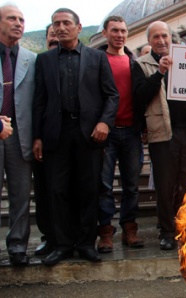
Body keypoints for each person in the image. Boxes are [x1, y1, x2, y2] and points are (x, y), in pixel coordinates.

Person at [33, 8, 119, 266]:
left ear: (79, 27)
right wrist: (37, 136)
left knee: (88, 189)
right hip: (56, 135)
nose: (61, 27)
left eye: (66, 23)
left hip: (89, 134)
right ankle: (62, 245)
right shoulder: (44, 60)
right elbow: (39, 102)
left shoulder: (97, 57)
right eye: (56, 24)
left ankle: (85, 243)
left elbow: (112, 95)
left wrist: (105, 122)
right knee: (57, 191)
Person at [132, 21, 186, 250]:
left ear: (171, 37)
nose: (161, 40)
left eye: (164, 35)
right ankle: (166, 231)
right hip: (163, 133)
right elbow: (139, 96)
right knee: (165, 186)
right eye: (155, 37)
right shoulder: (141, 65)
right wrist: (160, 72)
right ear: (150, 41)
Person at [96, 15, 145, 254]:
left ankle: (129, 228)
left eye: (123, 30)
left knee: (132, 185)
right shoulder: (96, 60)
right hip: (105, 132)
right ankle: (105, 231)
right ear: (105, 33)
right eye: (114, 30)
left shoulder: (135, 62)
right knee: (103, 185)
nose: (119, 35)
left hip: (132, 132)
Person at [0, 4, 35, 266]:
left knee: (21, 194)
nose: (18, 23)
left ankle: (18, 246)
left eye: (22, 19)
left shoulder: (31, 59)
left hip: (20, 134)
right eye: (12, 18)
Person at [33, 23, 59, 257]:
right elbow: (37, 101)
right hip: (46, 137)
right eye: (52, 35)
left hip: (74, 138)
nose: (57, 39)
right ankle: (49, 237)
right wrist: (37, 136)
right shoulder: (38, 63)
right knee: (45, 192)